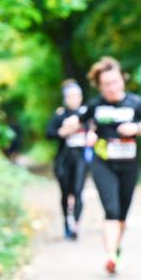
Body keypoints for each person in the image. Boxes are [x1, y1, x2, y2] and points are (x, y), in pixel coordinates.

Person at [80, 57, 141, 275]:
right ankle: (110, 256)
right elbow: (79, 123)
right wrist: (87, 133)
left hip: (129, 165)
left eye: (114, 82)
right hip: (102, 162)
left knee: (122, 213)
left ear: (122, 80)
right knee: (111, 209)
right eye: (106, 84)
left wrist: (137, 128)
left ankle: (114, 248)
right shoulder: (94, 105)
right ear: (99, 86)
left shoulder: (135, 103)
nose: (111, 88)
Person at [45, 79, 89, 240]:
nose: (74, 99)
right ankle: (66, 222)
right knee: (65, 192)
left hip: (81, 158)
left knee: (78, 191)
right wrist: (62, 132)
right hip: (64, 159)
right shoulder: (60, 115)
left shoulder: (86, 114)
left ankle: (76, 224)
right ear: (65, 98)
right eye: (71, 96)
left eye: (77, 96)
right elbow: (49, 133)